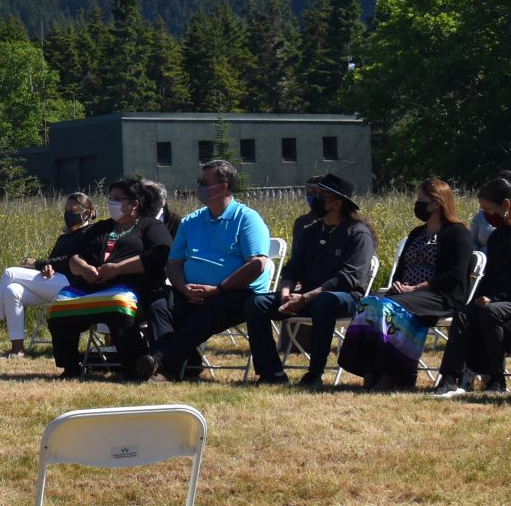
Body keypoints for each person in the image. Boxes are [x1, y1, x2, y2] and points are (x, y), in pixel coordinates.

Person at [136, 159, 275, 382]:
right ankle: (186, 365)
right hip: (191, 292)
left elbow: (256, 264)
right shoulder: (192, 221)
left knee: (211, 309)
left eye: (203, 182)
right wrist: (183, 288)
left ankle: (162, 362)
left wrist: (219, 289)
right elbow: (174, 263)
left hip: (236, 293)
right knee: (159, 303)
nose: (198, 186)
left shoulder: (248, 219)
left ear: (223, 186)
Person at [339, 179, 477, 391]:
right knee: (369, 304)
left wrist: (417, 287)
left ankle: (394, 373)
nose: (417, 203)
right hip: (407, 294)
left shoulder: (457, 233)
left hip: (439, 296)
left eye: (421, 199)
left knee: (390, 307)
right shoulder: (417, 233)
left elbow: (455, 275)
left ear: (436, 203)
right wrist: (398, 283)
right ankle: (370, 369)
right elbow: (402, 268)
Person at [244, 174, 377, 386]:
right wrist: (286, 294)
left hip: (344, 299)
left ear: (337, 203)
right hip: (305, 296)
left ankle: (314, 374)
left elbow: (348, 278)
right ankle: (271, 372)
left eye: (321, 195)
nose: (315, 199)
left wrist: (306, 297)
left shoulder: (358, 234)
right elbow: (293, 268)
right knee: (257, 303)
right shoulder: (310, 232)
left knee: (325, 300)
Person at [45, 178, 175, 379]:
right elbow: (75, 255)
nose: (110, 203)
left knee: (117, 304)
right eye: (110, 198)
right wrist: (84, 268)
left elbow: (159, 256)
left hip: (133, 288)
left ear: (134, 204)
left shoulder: (151, 226)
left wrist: (118, 269)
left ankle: (135, 367)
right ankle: (70, 366)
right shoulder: (101, 227)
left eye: (117, 199)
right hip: (92, 287)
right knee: (59, 306)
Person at [0, 193, 98, 356]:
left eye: (73, 210)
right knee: (12, 290)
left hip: (74, 286)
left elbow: (71, 260)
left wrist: (37, 263)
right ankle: (18, 349)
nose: (68, 214)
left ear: (86, 213)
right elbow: (55, 261)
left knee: (10, 273)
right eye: (66, 210)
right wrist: (47, 267)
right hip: (55, 283)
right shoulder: (64, 237)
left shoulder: (90, 234)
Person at [440, 176, 511, 395]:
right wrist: (476, 300)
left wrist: (495, 298)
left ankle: (497, 381)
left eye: (489, 210)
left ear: (506, 205)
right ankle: (449, 379)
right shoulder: (498, 237)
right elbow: (491, 276)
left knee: (491, 311)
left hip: (503, 301)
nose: (487, 217)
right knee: (463, 314)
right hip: (499, 300)